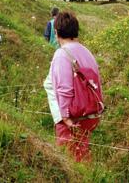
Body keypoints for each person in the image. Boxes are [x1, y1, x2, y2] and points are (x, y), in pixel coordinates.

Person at [49, 11, 102, 162]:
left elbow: (64, 89)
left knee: (69, 160)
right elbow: (96, 81)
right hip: (90, 112)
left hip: (73, 116)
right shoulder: (86, 52)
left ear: (56, 32)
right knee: (82, 153)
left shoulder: (62, 54)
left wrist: (65, 117)